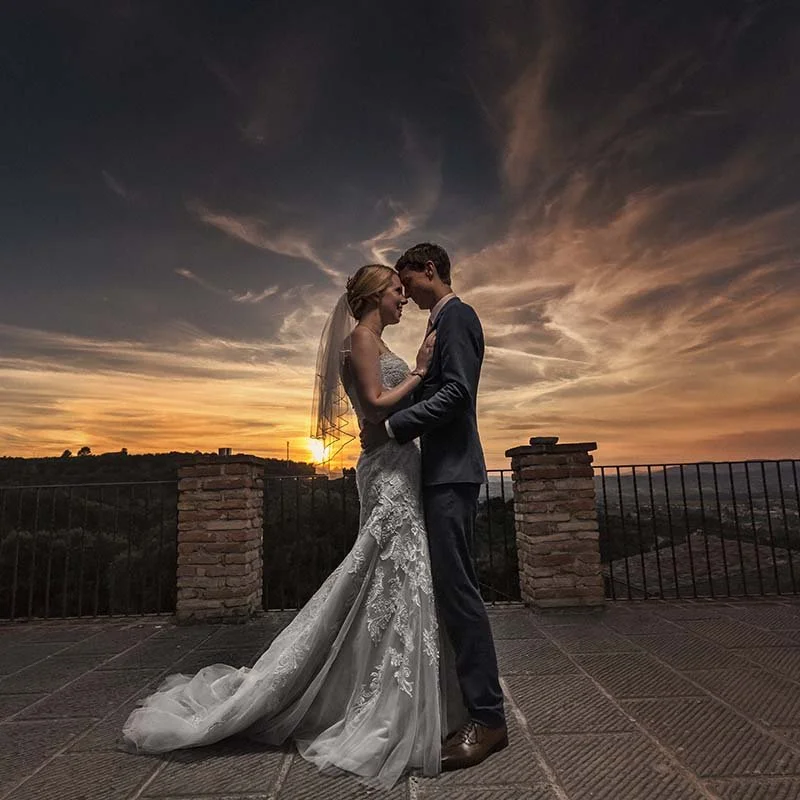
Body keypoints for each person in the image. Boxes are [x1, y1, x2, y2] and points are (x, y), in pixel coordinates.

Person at [120, 265, 449, 789]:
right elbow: (372, 409)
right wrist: (419, 371)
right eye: (395, 291)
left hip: (399, 466)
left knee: (390, 579)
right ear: (372, 298)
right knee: (386, 573)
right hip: (387, 469)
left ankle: (395, 686)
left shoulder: (371, 339)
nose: (402, 299)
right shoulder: (360, 340)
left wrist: (418, 375)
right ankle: (372, 696)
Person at [361, 243, 507, 771]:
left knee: (459, 591)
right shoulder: (438, 324)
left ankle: (489, 720)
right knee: (447, 590)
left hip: (452, 473)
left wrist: (394, 428)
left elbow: (458, 394)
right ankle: (463, 705)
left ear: (429, 270)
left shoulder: (458, 316)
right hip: (436, 472)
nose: (404, 292)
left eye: (406, 280)